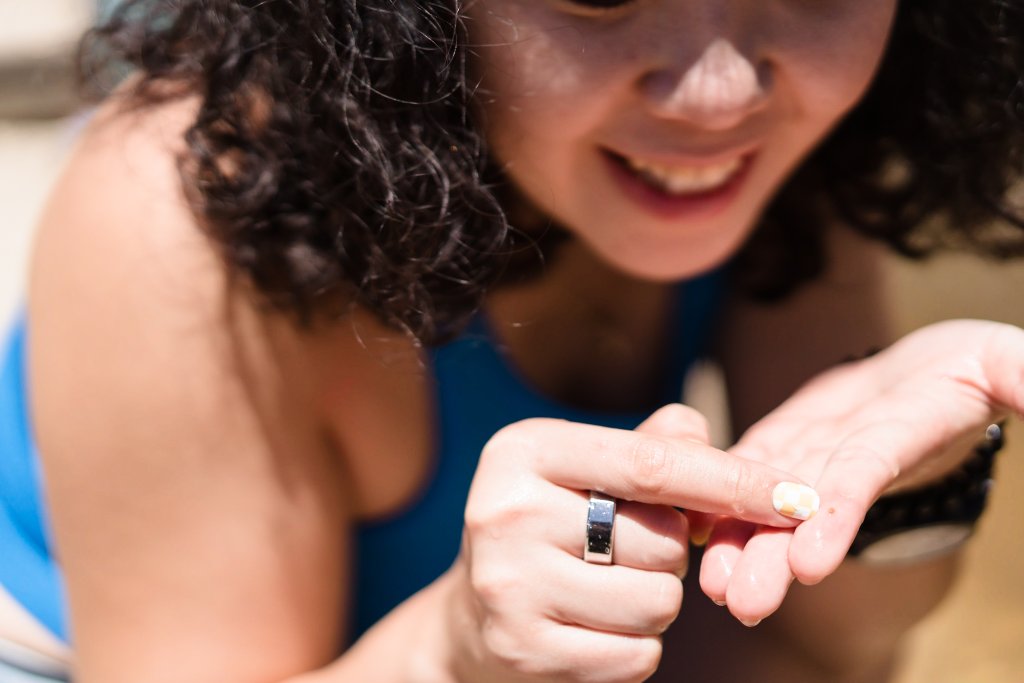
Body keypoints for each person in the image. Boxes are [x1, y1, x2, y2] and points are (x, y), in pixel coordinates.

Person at [1, 0, 1023, 681]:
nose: (722, 93)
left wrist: (894, 490)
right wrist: (451, 650)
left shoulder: (781, 151)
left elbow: (834, 647)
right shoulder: (179, 207)